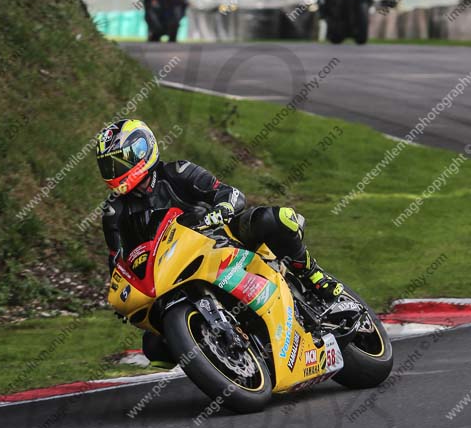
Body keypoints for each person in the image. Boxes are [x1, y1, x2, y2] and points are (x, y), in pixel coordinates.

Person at [96, 119, 343, 369]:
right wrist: (125, 292)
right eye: (109, 166)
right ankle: (218, 353)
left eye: (120, 162)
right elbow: (118, 261)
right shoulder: (113, 212)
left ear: (142, 150)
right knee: (154, 346)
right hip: (170, 272)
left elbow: (229, 193)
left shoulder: (177, 172)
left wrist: (222, 207)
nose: (115, 171)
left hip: (221, 237)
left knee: (274, 219)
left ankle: (314, 278)